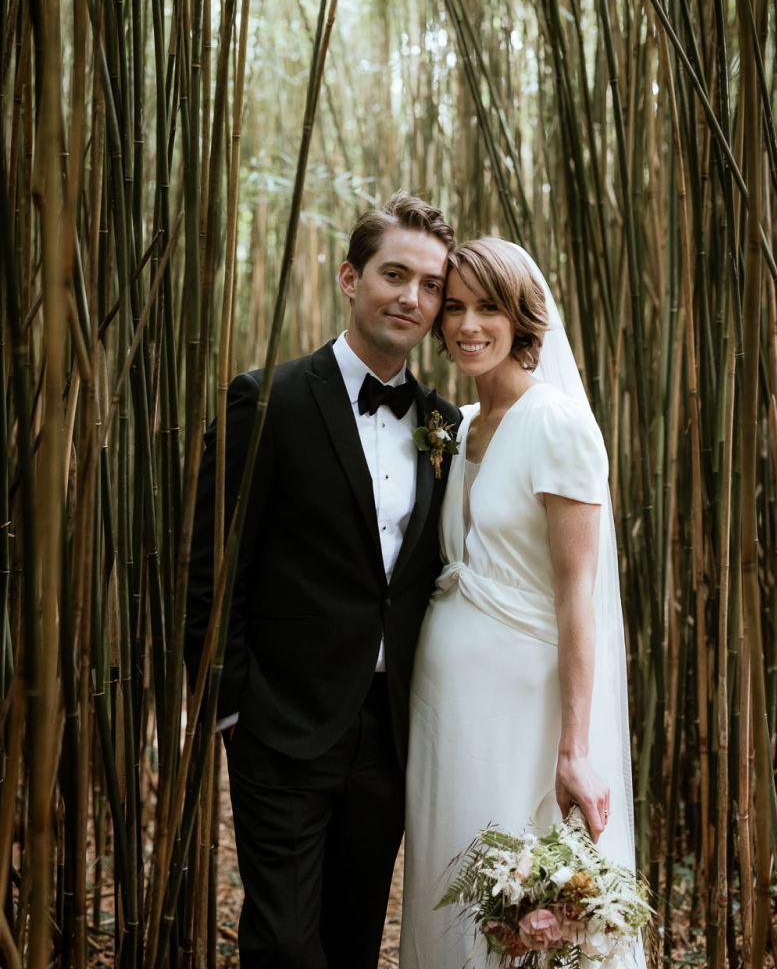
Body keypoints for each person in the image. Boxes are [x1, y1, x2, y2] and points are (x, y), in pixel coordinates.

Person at [185, 193, 461, 969]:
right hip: (282, 724)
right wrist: (230, 708)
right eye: (394, 274)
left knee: (352, 938)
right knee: (281, 943)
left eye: (431, 284)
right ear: (350, 277)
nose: (412, 297)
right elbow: (213, 566)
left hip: (390, 729)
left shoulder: (444, 423)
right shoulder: (267, 399)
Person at [399, 237, 643, 968]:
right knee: (452, 873)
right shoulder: (457, 426)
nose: (468, 325)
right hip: (445, 708)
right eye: (455, 308)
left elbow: (578, 597)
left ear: (523, 319)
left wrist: (575, 747)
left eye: (489, 309)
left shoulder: (558, 424)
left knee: (523, 898)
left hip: (526, 710)